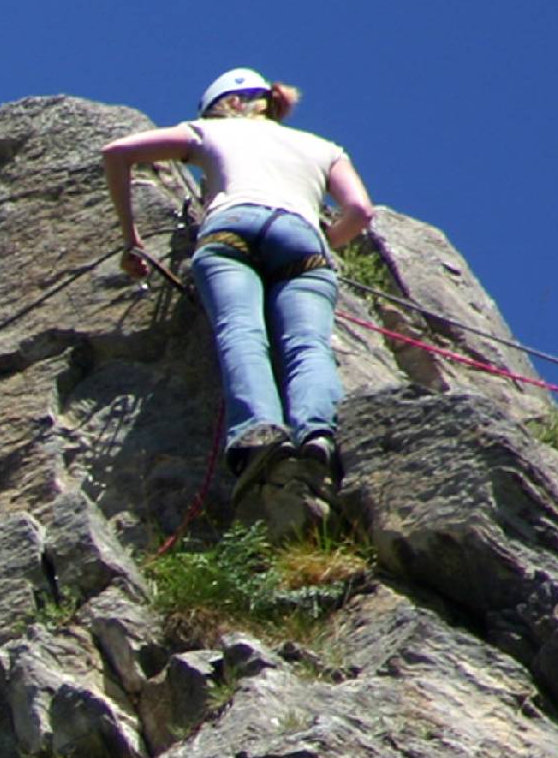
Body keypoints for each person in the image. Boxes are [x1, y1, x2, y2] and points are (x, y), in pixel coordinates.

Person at [101, 68, 376, 512]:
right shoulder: (322, 148)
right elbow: (360, 211)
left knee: (241, 332)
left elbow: (117, 152)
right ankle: (317, 435)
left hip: (231, 229)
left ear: (226, 105)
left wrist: (131, 240)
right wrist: (328, 240)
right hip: (303, 240)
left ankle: (260, 433)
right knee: (308, 346)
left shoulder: (211, 131)